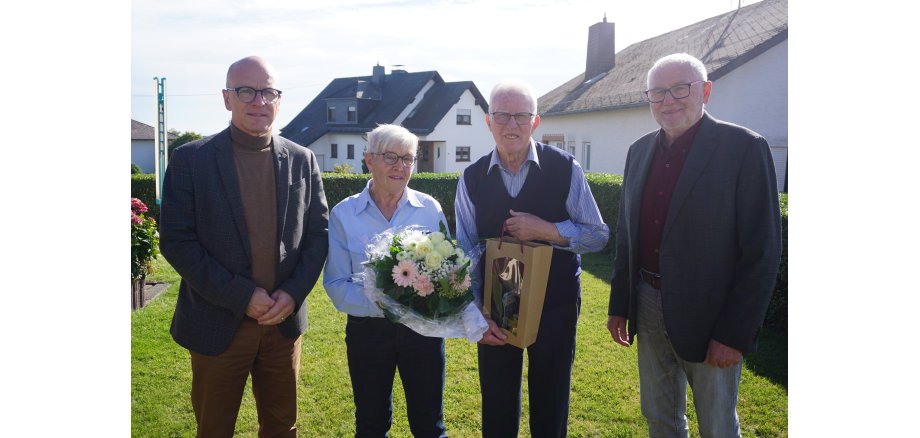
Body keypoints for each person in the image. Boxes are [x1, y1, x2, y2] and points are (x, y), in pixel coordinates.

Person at [607, 53, 782, 438]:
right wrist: (621, 305)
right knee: (659, 415)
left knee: (717, 424)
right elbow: (627, 236)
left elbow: (762, 251)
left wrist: (734, 334)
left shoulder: (744, 149)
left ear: (705, 91)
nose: (668, 100)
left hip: (711, 314)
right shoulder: (638, 152)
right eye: (657, 92)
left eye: (679, 89)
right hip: (648, 302)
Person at [159, 56, 329, 437]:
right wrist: (241, 296)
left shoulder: (302, 160)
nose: (259, 101)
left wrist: (293, 293)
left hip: (282, 325)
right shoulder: (191, 160)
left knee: (282, 427)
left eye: (268, 91)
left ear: (279, 99)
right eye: (246, 91)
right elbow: (177, 240)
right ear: (226, 98)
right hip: (217, 323)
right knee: (215, 427)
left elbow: (318, 235)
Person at [455, 80, 609, 437]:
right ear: (488, 121)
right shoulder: (472, 177)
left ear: (535, 122)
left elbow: (598, 234)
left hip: (555, 304)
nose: (512, 125)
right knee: (496, 402)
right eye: (502, 115)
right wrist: (477, 309)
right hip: (495, 309)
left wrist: (548, 231)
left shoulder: (565, 168)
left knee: (551, 401)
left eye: (521, 116)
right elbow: (464, 248)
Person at [323, 124, 449, 437]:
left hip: (422, 331)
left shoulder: (430, 209)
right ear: (369, 160)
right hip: (368, 333)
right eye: (390, 157)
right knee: (370, 423)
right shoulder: (344, 214)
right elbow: (337, 285)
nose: (400, 166)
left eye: (407, 158)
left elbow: (448, 271)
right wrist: (393, 302)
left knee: (430, 425)